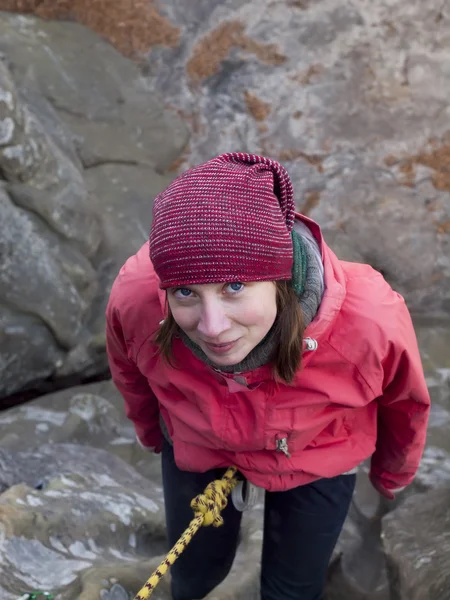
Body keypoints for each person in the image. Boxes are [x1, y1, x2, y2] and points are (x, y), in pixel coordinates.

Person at [106, 152, 430, 600]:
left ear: (279, 278)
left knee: (291, 590)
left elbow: (404, 401)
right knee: (196, 575)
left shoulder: (368, 319)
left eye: (234, 287)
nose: (212, 326)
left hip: (318, 451)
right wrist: (152, 433)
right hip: (199, 439)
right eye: (185, 292)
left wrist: (392, 472)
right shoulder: (138, 297)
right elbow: (130, 372)